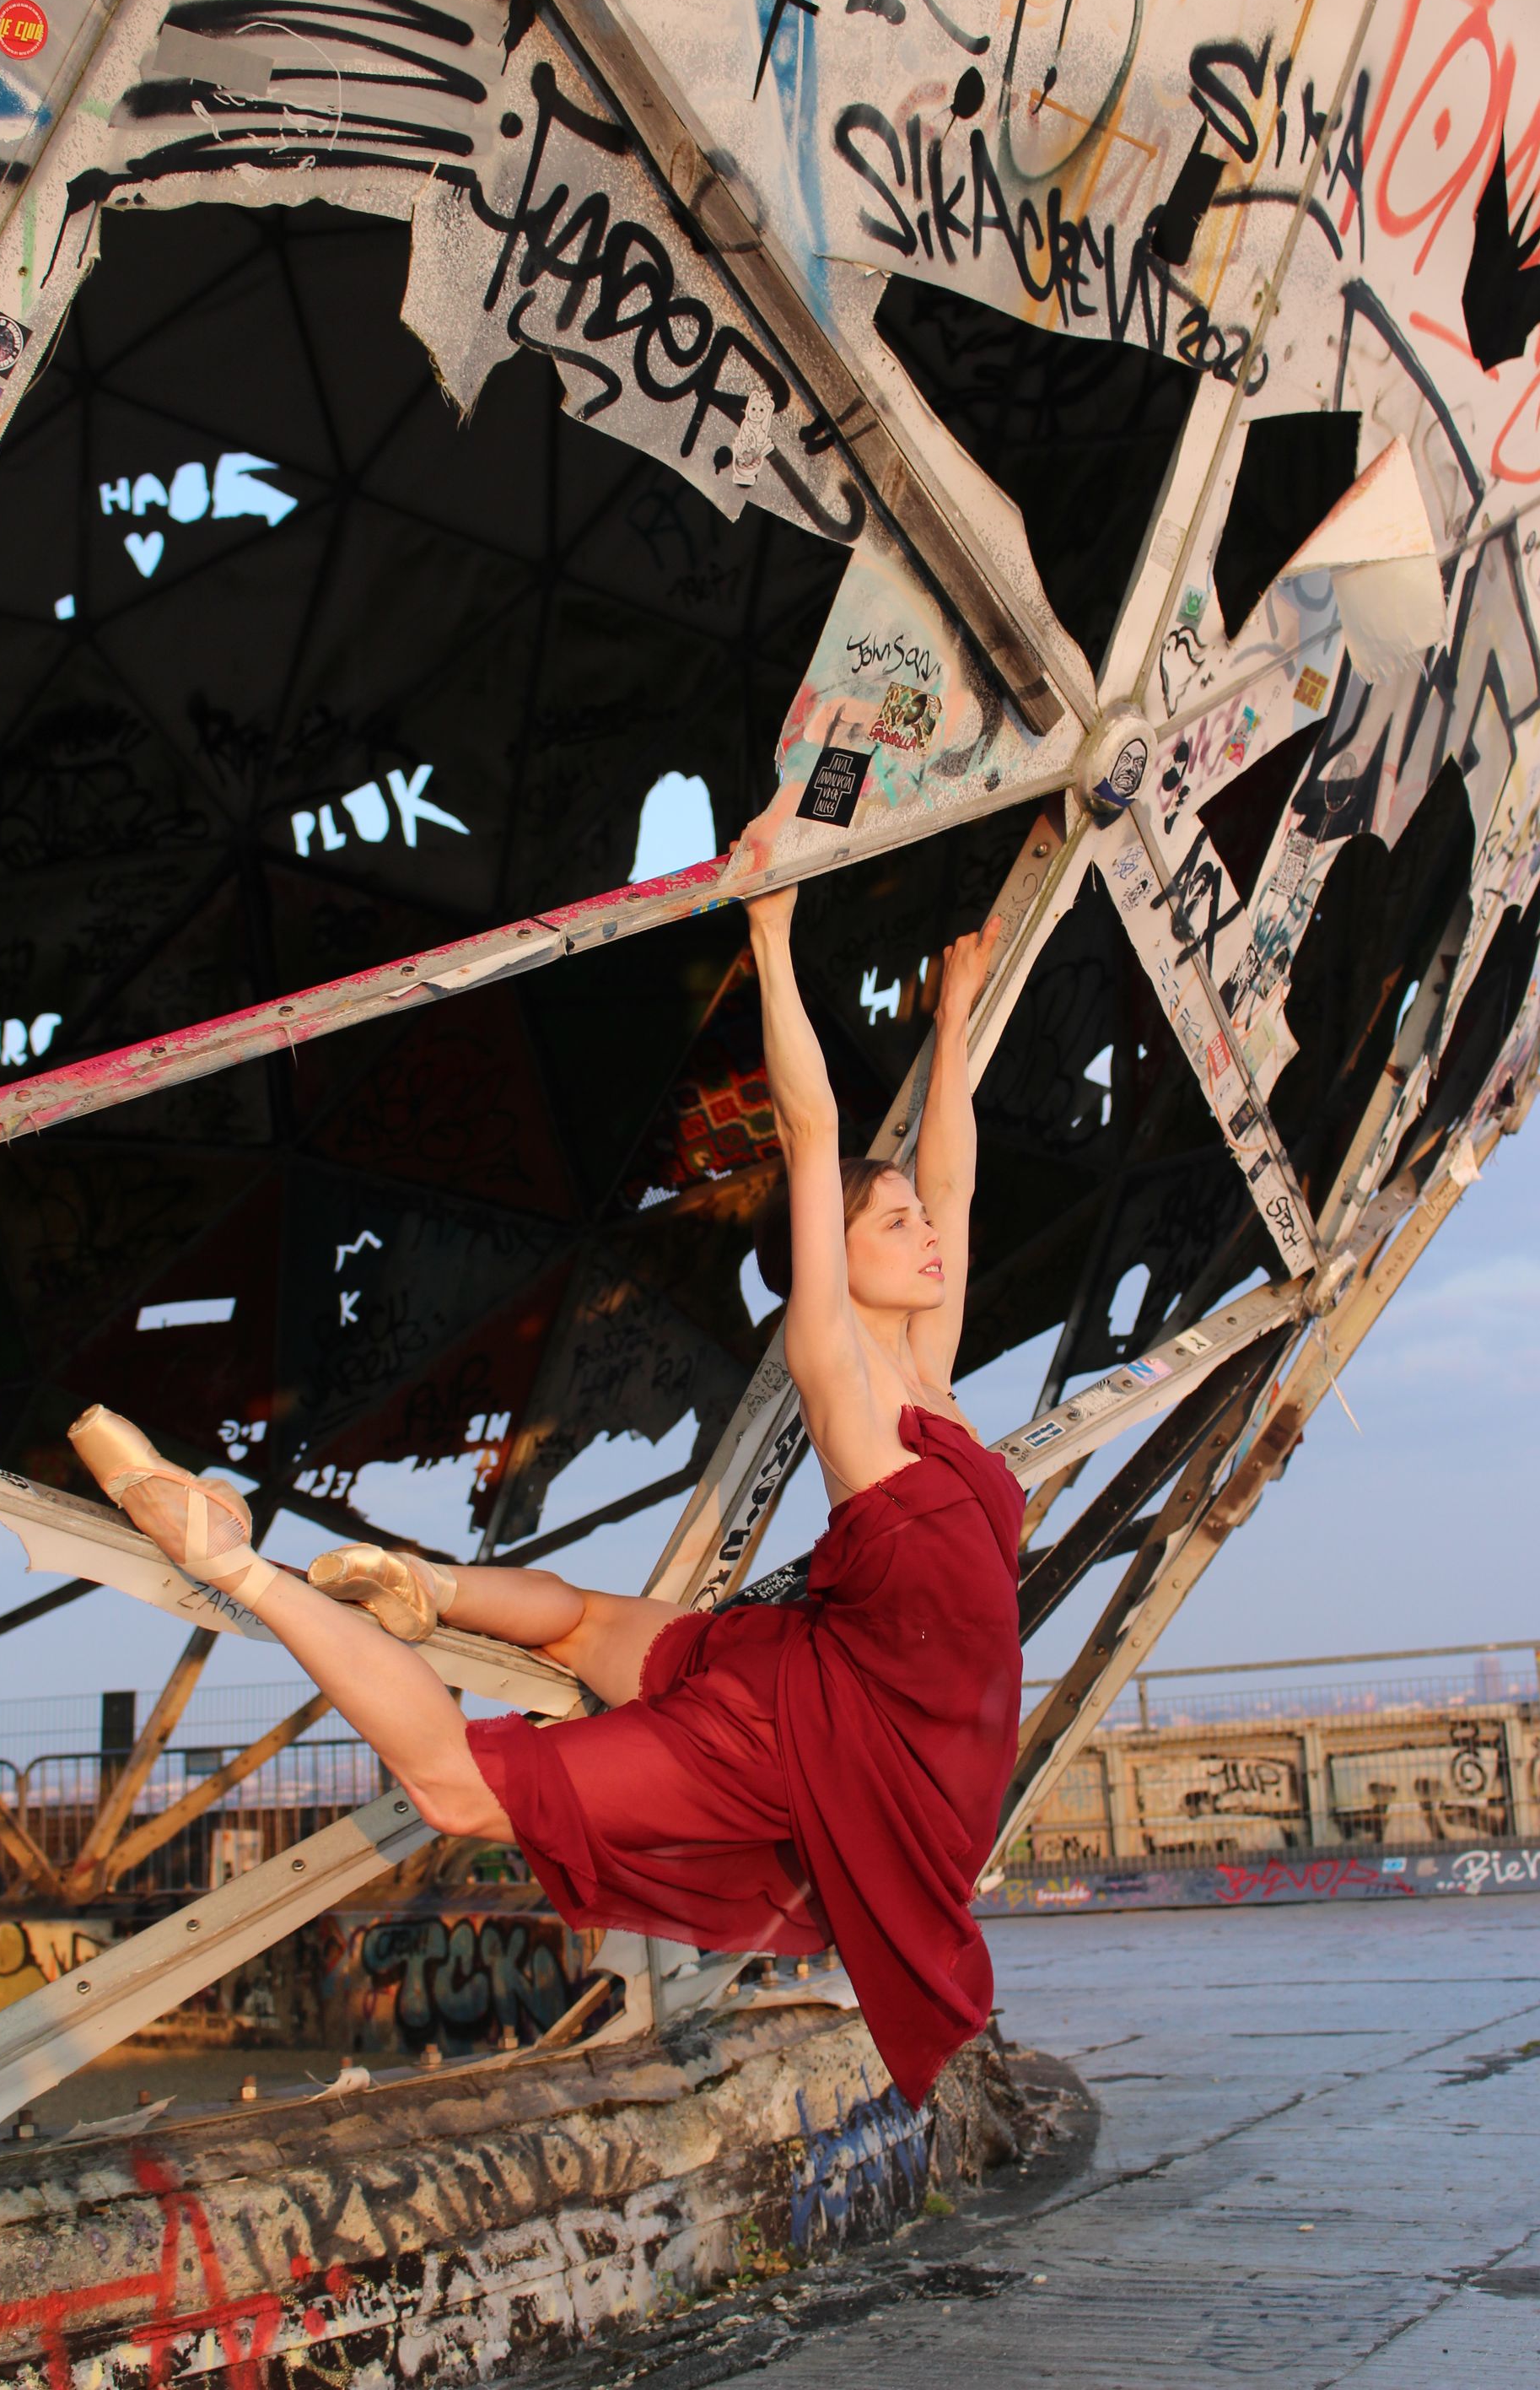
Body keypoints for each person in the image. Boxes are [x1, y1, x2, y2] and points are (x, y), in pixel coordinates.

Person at [68, 885, 1023, 2106]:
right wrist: (773, 938)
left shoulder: (930, 1377)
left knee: (583, 1622)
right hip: (818, 1731)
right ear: (836, 1255)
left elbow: (954, 1171)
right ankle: (235, 1560)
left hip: (852, 1700)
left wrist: (954, 1029)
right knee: (456, 1789)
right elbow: (808, 1120)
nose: (931, 1234)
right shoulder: (840, 1369)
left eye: (921, 1223)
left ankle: (433, 1590)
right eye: (894, 1224)